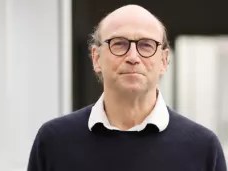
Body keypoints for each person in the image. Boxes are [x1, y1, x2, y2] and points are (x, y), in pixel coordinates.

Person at [27, 4, 227, 171]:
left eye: (146, 45)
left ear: (164, 61)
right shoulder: (54, 142)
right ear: (96, 58)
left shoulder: (203, 148)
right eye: (119, 44)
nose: (133, 57)